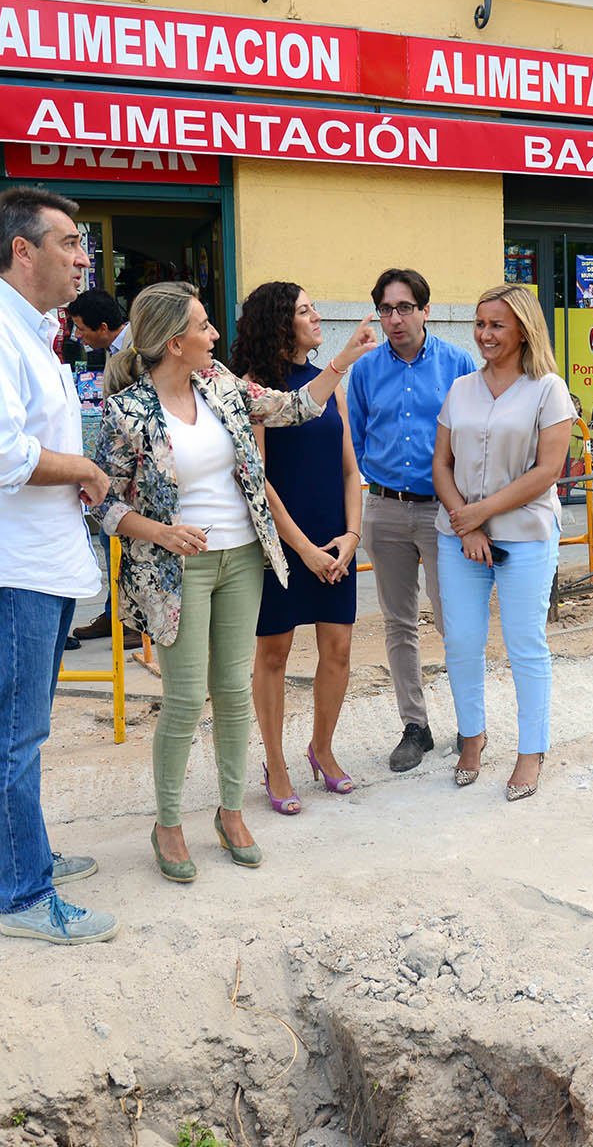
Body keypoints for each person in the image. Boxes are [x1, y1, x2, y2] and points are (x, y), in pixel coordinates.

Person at [93, 282, 377, 881]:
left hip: (242, 558)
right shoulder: (127, 412)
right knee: (183, 700)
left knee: (231, 693)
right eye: (203, 326)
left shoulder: (222, 384)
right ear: (175, 343)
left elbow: (293, 407)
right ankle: (168, 824)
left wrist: (344, 360)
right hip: (178, 569)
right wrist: (162, 532)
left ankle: (229, 812)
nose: (215, 335)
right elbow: (102, 506)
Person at [0, 186, 116, 946]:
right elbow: (2, 455)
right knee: (15, 733)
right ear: (23, 250)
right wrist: (86, 470)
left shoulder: (23, 329)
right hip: (13, 564)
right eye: (72, 242)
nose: (83, 258)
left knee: (17, 728)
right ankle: (22, 893)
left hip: (36, 559)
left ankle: (13, 855)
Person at [432, 285, 573, 803]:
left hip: (526, 535)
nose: (485, 335)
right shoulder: (461, 389)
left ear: (522, 330)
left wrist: (482, 514)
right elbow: (440, 464)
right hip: (460, 539)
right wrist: (466, 526)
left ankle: (531, 751)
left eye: (497, 325)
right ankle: (472, 737)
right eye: (480, 323)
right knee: (463, 643)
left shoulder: (547, 389)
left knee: (524, 644)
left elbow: (548, 471)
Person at [227, 283, 363, 814]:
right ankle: (276, 762)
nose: (317, 317)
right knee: (275, 653)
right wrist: (303, 549)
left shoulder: (330, 384)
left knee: (340, 649)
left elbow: (351, 468)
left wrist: (352, 535)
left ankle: (322, 749)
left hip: (335, 536)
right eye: (306, 310)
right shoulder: (253, 390)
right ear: (280, 321)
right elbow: (256, 480)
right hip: (281, 543)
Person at [345, 268, 477, 772]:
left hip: (443, 510)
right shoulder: (366, 369)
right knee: (399, 622)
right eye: (385, 309)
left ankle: (471, 725)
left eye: (404, 307)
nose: (394, 318)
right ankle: (415, 727)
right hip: (383, 508)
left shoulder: (458, 365)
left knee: (454, 619)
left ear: (426, 310)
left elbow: (471, 436)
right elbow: (355, 440)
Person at [66, 288, 141, 647]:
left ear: (104, 326)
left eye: (82, 329)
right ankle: (116, 613)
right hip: (116, 458)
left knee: (122, 539)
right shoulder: (113, 352)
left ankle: (131, 618)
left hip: (139, 463)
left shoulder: (139, 349)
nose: (78, 337)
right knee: (110, 536)